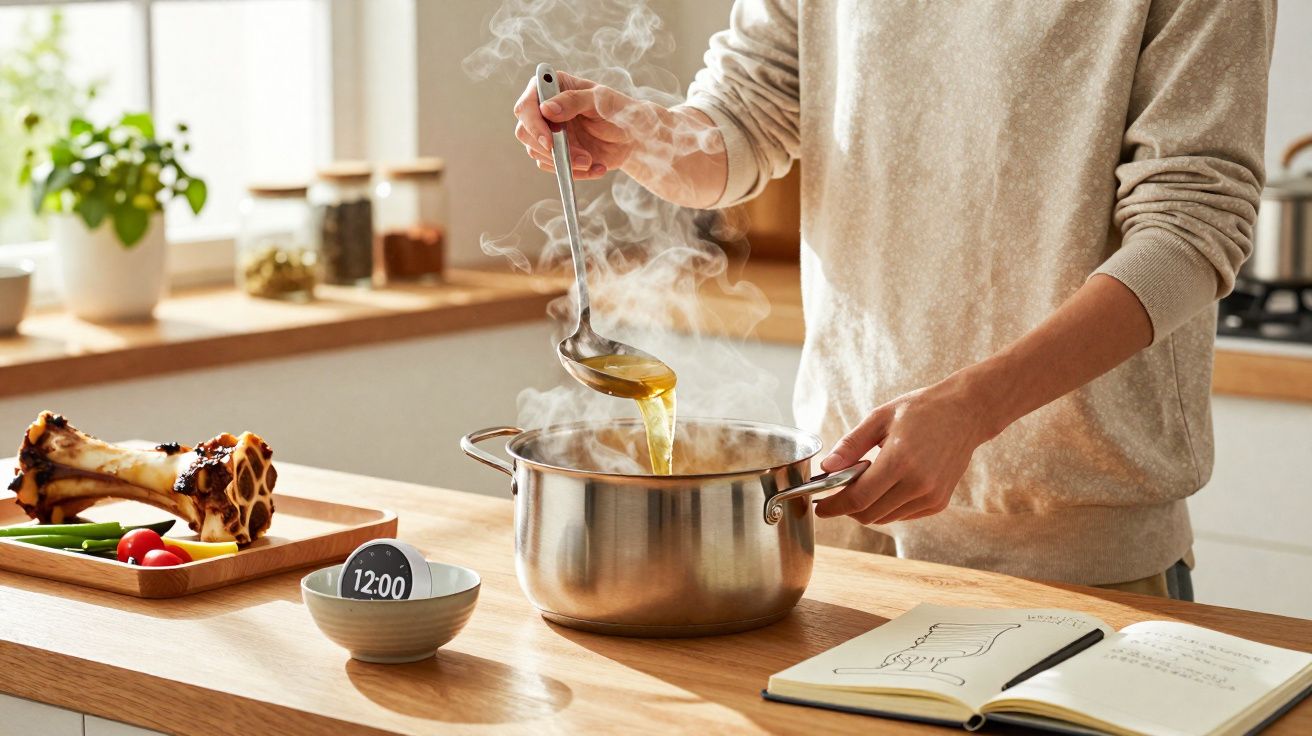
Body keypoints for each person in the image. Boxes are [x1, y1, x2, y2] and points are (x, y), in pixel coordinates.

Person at [511, 0, 1276, 599]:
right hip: (840, 525)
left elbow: (1191, 227)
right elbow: (745, 116)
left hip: (1076, 554)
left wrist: (975, 407)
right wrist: (640, 134)